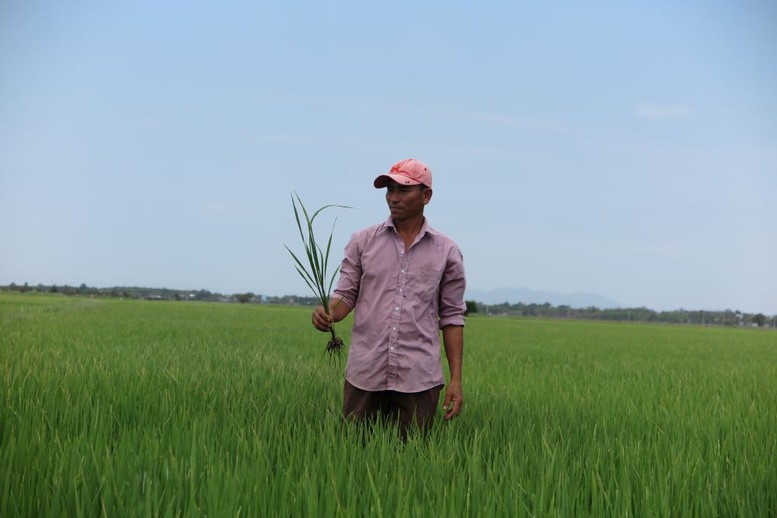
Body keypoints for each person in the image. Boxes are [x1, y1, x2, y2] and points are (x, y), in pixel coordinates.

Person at [311, 158, 466, 438]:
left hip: (419, 377)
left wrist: (456, 380)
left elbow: (453, 317)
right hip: (366, 373)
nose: (393, 198)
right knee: (353, 456)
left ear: (426, 195)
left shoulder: (447, 252)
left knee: (411, 465)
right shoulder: (362, 241)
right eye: (389, 190)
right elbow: (346, 295)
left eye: (404, 190)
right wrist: (328, 314)